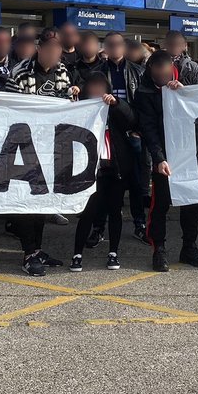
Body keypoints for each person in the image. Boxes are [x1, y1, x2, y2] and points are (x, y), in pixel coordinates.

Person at [134, 50, 198, 272]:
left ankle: (189, 247)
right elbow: (148, 129)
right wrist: (159, 158)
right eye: (158, 74)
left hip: (190, 153)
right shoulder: (144, 91)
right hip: (165, 154)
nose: (162, 78)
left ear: (171, 68)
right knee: (161, 204)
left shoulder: (189, 78)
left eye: (165, 73)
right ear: (151, 70)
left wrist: (186, 95)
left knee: (192, 204)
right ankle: (159, 249)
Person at [12, 36, 74, 275]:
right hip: (24, 145)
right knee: (25, 202)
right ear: (39, 49)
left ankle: (37, 250)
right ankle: (28, 253)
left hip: (49, 147)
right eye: (48, 51)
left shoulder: (61, 70)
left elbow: (66, 99)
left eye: (57, 52)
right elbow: (10, 107)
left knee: (41, 201)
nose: (53, 56)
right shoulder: (21, 72)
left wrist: (72, 94)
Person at [70, 72, 135, 272]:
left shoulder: (113, 108)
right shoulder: (80, 109)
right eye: (93, 87)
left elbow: (132, 121)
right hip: (90, 170)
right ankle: (77, 254)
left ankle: (113, 252)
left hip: (115, 169)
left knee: (115, 211)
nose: (97, 91)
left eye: (101, 87)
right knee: (88, 213)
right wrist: (71, 97)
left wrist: (117, 104)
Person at [95, 31, 148, 240]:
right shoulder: (97, 72)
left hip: (131, 133)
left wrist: (139, 128)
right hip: (106, 134)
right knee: (103, 183)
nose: (115, 47)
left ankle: (139, 224)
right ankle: (99, 227)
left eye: (119, 44)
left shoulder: (138, 72)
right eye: (111, 44)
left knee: (135, 183)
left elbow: (144, 104)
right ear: (105, 48)